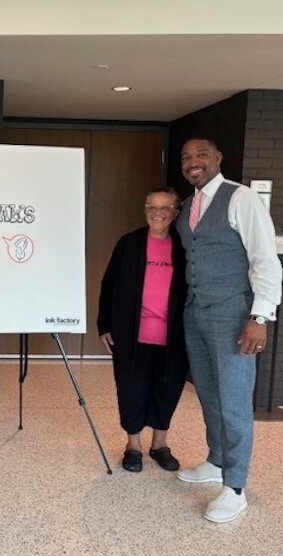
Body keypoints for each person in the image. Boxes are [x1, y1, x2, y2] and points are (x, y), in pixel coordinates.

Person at [175, 137, 282, 523]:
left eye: (202, 154)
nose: (193, 162)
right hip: (196, 313)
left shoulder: (241, 199)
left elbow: (265, 261)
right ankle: (217, 461)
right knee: (208, 392)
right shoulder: (189, 205)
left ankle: (235, 488)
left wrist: (259, 318)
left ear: (219, 158)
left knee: (235, 401)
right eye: (187, 157)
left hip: (234, 314)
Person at [97, 186, 188, 473]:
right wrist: (104, 325)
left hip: (173, 337)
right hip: (130, 335)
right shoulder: (130, 243)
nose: (157, 213)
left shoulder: (184, 246)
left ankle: (160, 444)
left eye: (165, 208)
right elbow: (108, 284)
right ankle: (133, 445)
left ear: (175, 213)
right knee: (132, 389)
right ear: (145, 209)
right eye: (152, 206)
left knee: (167, 389)